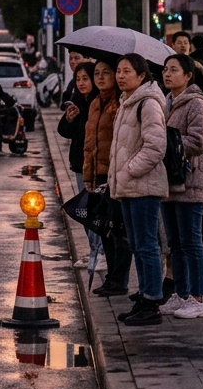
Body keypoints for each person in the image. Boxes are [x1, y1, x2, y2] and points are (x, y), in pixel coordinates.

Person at [110, 53, 170, 326]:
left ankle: (152, 301)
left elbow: (156, 146)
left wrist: (128, 171)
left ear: (142, 75)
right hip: (127, 187)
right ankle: (145, 295)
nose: (120, 76)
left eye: (126, 71)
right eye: (118, 71)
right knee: (136, 244)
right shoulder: (126, 102)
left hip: (143, 186)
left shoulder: (147, 104)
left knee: (147, 245)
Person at [160, 55, 203, 320]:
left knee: (192, 242)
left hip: (191, 181)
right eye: (165, 70)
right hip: (170, 182)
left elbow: (200, 141)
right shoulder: (167, 101)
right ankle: (181, 294)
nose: (167, 74)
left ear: (188, 75)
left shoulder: (196, 103)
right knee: (175, 243)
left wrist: (168, 141)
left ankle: (198, 297)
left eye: (173, 70)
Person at [85, 61, 131, 296]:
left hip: (117, 173)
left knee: (117, 228)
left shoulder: (120, 103)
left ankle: (119, 280)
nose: (101, 78)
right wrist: (88, 175)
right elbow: (89, 144)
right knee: (103, 227)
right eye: (97, 74)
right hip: (99, 174)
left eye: (106, 73)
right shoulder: (95, 103)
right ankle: (112, 278)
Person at [64, 62, 102, 269]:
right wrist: (70, 119)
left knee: (93, 211)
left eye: (85, 78)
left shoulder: (98, 103)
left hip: (96, 166)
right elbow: (65, 131)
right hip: (80, 164)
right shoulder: (78, 101)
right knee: (86, 211)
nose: (81, 83)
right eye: (78, 79)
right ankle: (94, 251)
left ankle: (99, 252)